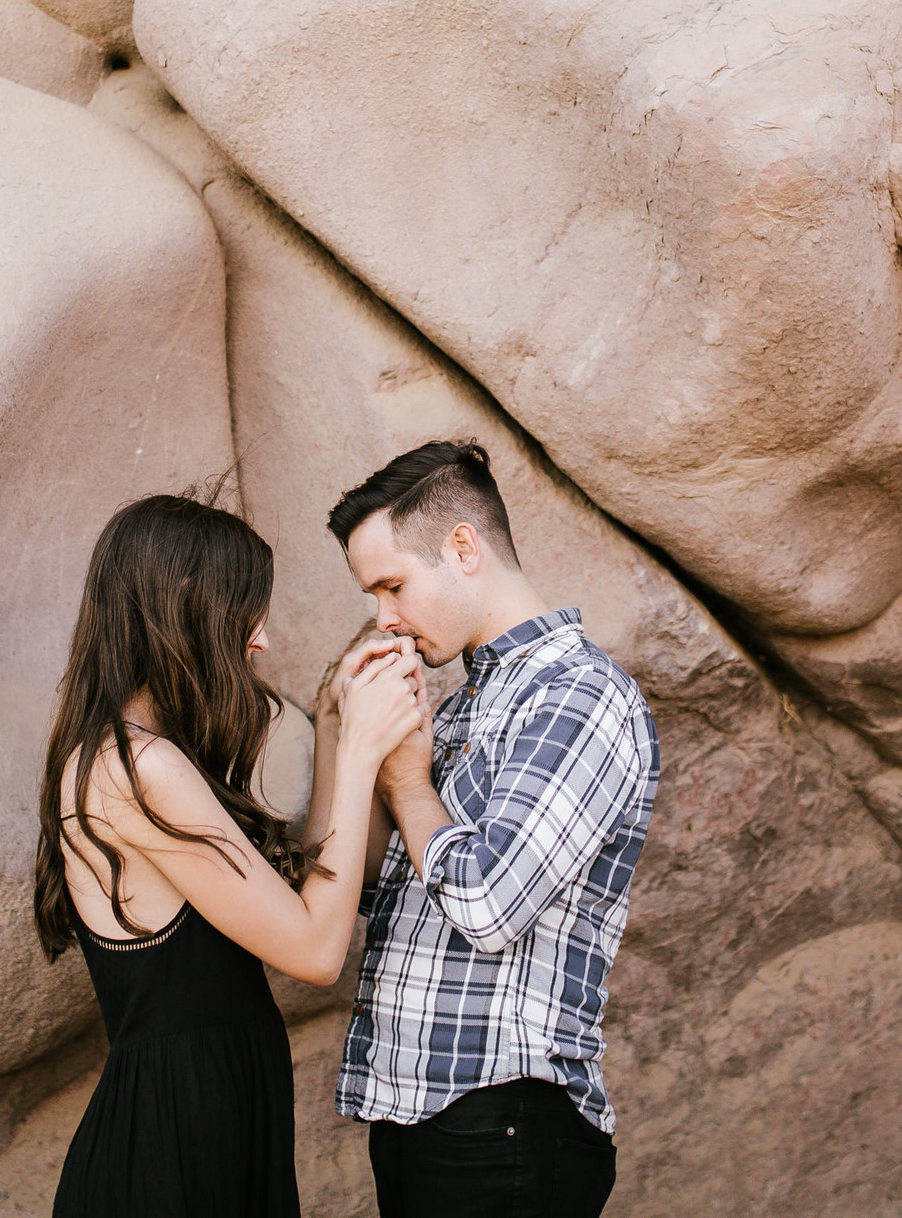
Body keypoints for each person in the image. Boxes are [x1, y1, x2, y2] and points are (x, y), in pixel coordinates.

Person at [33, 492, 427, 1218]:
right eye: (246, 609)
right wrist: (371, 751)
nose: (262, 639)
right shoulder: (134, 769)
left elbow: (302, 901)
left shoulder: (136, 756)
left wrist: (337, 727)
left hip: (204, 1130)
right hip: (169, 1152)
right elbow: (314, 948)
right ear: (187, 607)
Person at [322, 441, 662, 1218]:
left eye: (393, 584)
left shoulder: (580, 695)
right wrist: (353, 736)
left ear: (463, 548)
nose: (384, 616)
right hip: (425, 1118)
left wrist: (407, 778)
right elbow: (384, 893)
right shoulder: (466, 703)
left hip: (503, 1122)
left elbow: (488, 905)